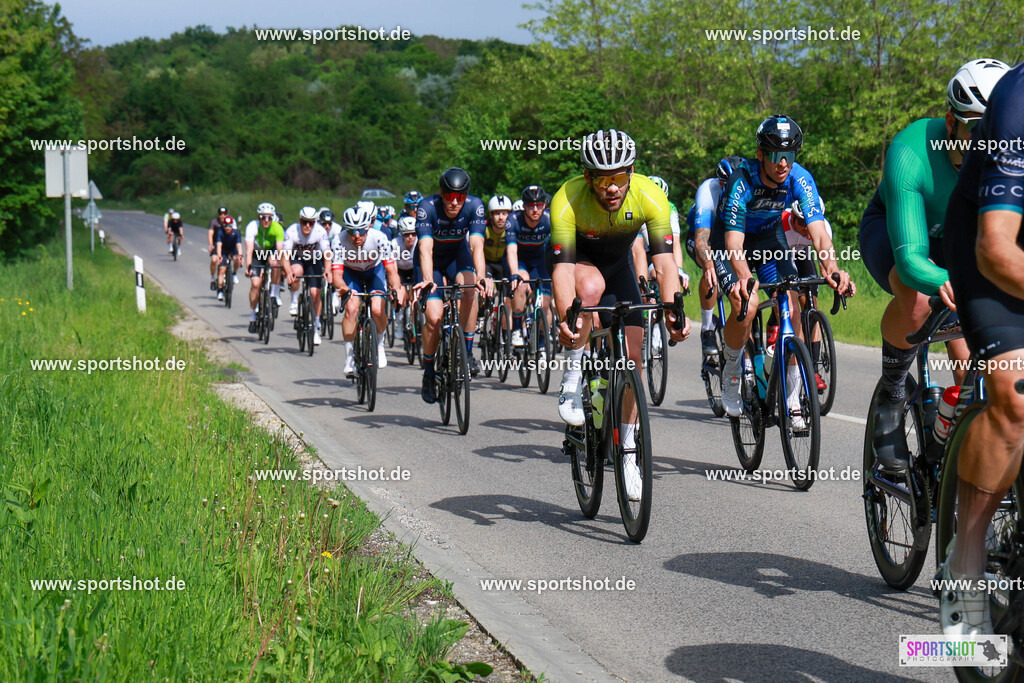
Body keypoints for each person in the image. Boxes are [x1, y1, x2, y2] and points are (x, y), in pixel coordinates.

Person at [860, 59, 1010, 471]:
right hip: (897, 236)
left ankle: (944, 455)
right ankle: (892, 393)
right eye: (977, 129)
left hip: (960, 243)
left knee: (973, 377)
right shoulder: (911, 150)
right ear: (951, 123)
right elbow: (911, 259)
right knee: (919, 300)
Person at [551, 128, 689, 501]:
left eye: (619, 177)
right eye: (602, 180)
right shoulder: (567, 198)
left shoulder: (650, 195)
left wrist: (674, 311)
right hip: (581, 264)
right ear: (587, 177)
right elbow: (562, 270)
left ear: (631, 172)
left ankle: (628, 454)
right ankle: (572, 377)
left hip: (620, 266)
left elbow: (664, 263)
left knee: (633, 360)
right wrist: (565, 318)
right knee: (590, 289)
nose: (612, 188)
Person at [938, 60, 1024, 637]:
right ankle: (965, 564)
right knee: (1016, 395)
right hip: (989, 246)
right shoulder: (1018, 101)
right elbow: (996, 248)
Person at [715, 115, 853, 424]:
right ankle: (732, 367)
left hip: (768, 237)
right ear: (760, 154)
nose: (783, 163)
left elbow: (819, 233)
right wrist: (744, 277)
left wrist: (833, 269)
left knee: (791, 305)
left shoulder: (800, 178)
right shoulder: (742, 180)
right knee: (747, 304)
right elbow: (734, 243)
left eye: (789, 155)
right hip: (730, 241)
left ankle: (792, 398)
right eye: (776, 155)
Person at [414, 167, 490, 402]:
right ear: (441, 193)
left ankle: (466, 351)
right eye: (449, 196)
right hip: (432, 262)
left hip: (458, 256)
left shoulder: (474, 206)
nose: (454, 202)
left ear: (466, 196)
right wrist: (428, 279)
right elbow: (425, 248)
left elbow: (476, 244)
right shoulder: (427, 207)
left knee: (471, 289)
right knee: (434, 318)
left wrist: (481, 276)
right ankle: (429, 372)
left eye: (460, 197)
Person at [332, 204, 404, 375]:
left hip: (374, 272)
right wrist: (344, 289)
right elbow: (337, 275)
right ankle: (349, 357)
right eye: (352, 231)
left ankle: (379, 344)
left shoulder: (379, 238)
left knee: (378, 309)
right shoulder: (338, 240)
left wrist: (396, 288)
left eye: (361, 231)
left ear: (368, 227)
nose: (356, 236)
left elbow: (391, 271)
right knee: (351, 309)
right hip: (351, 273)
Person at [687, 157, 743, 359]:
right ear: (721, 182)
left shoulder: (748, 188)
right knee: (710, 268)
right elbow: (701, 241)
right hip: (704, 236)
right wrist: (709, 263)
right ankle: (708, 327)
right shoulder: (708, 191)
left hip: (728, 237)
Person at [506, 186, 552, 347]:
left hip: (540, 261)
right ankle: (517, 329)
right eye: (531, 206)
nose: (535, 210)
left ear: (544, 206)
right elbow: (511, 250)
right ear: (524, 206)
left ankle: (541, 343)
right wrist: (514, 274)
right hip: (520, 260)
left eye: (539, 205)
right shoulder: (513, 220)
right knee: (521, 284)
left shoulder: (549, 219)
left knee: (545, 303)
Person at [282, 206, 332, 346]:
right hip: (297, 258)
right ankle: (294, 301)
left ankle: (315, 327)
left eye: (311, 222)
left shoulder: (320, 231)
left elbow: (327, 253)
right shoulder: (292, 231)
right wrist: (288, 271)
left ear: (315, 222)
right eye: (304, 222)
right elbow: (284, 256)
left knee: (315, 293)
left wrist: (327, 270)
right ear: (300, 221)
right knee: (296, 272)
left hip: (314, 260)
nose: (307, 226)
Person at [244, 202, 286, 333]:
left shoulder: (277, 228)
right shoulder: (252, 226)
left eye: (269, 217)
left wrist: (282, 267)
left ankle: (274, 294)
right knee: (255, 284)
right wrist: (248, 266)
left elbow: (280, 251)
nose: (266, 220)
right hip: (257, 253)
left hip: (270, 251)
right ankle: (252, 317)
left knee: (275, 263)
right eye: (263, 217)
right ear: (259, 217)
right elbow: (249, 249)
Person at [214, 216, 243, 301]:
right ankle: (220, 290)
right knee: (222, 269)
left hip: (233, 249)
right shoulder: (220, 232)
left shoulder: (236, 233)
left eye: (229, 226)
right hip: (223, 251)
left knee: (237, 259)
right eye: (226, 225)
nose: (227, 228)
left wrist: (240, 255)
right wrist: (219, 256)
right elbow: (219, 245)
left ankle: (234, 274)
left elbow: (239, 245)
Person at [208, 206, 229, 290]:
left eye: (224, 214)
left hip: (227, 243)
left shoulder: (230, 221)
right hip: (216, 243)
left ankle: (230, 276)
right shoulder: (214, 222)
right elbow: (210, 233)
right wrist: (211, 244)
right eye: (221, 214)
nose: (222, 215)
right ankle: (213, 278)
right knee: (214, 260)